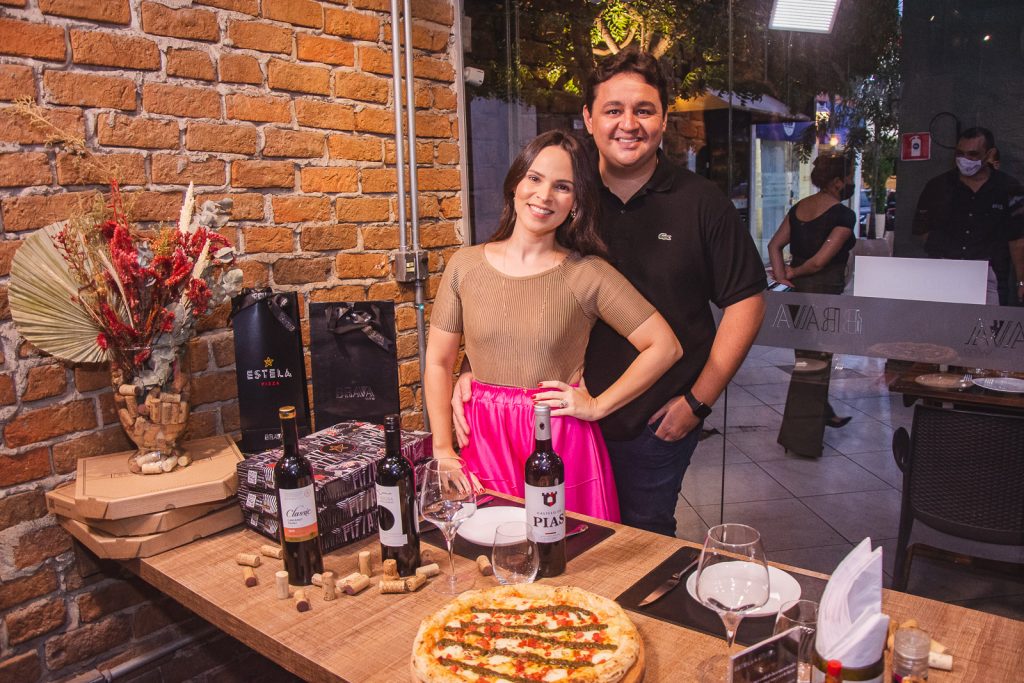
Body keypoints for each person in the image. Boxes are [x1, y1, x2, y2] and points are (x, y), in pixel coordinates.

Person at [453, 50, 766, 536]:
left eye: (644, 110)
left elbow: (746, 301)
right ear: (589, 118)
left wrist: (698, 401)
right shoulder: (563, 196)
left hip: (651, 422)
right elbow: (512, 282)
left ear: (664, 118)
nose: (629, 124)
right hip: (558, 424)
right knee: (544, 540)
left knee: (639, 545)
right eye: (613, 110)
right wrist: (475, 368)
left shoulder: (701, 203)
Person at [424, 130, 682, 522]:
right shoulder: (465, 266)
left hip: (557, 437)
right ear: (515, 184)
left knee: (565, 553)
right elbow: (439, 362)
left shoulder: (587, 274)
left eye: (563, 187)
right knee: (489, 548)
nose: (544, 195)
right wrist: (443, 450)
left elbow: (664, 346)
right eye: (535, 178)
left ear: (576, 203)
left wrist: (597, 406)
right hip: (483, 437)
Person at [768, 152, 857, 456]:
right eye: (850, 176)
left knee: (809, 360)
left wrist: (783, 277)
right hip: (822, 293)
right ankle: (801, 441)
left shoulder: (800, 208)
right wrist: (792, 273)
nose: (851, 182)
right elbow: (820, 262)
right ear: (837, 181)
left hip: (799, 294)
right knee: (815, 364)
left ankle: (823, 413)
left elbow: (774, 245)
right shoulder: (843, 215)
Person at [913, 127, 1024, 305]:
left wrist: (1021, 281)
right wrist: (943, 252)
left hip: (990, 276)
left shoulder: (1009, 187)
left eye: (973, 154)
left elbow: (1017, 240)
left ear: (989, 154)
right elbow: (921, 228)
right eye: (960, 153)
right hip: (943, 273)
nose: (965, 160)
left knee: (987, 322)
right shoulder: (938, 186)